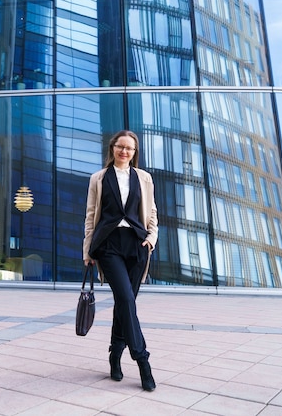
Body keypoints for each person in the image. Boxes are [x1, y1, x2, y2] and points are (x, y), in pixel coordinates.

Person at [82, 130, 158, 392]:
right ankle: (143, 361)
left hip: (137, 245)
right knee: (126, 299)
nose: (124, 151)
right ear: (112, 147)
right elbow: (91, 215)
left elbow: (152, 215)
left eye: (130, 148)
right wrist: (87, 250)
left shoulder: (144, 178)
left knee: (124, 304)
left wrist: (151, 239)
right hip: (109, 245)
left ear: (135, 153)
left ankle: (115, 354)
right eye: (120, 146)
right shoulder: (99, 178)